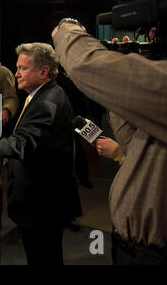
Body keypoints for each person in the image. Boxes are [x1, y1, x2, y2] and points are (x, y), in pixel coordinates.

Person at [0, 42, 82, 265]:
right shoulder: (44, 94)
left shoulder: (47, 102)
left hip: (42, 205)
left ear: (44, 71)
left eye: (23, 68)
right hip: (43, 202)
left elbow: (20, 143)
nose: (16, 73)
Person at [52, 18, 167, 265]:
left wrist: (67, 28)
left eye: (155, 36)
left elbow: (87, 65)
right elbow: (129, 140)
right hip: (132, 248)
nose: (151, 41)